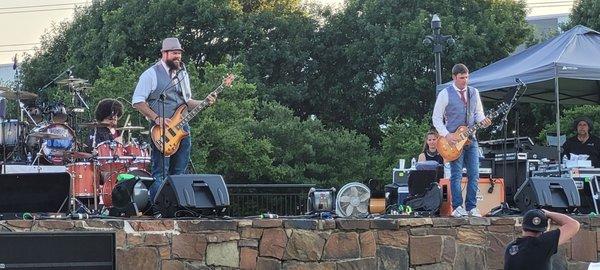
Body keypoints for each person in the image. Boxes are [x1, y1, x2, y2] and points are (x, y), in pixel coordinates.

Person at [132, 37, 217, 200]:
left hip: (183, 130)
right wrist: (156, 118)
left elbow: (187, 102)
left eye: (179, 53)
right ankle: (157, 206)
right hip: (162, 132)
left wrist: (205, 102)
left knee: (180, 172)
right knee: (161, 172)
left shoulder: (183, 74)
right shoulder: (151, 74)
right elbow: (137, 101)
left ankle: (177, 205)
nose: (177, 56)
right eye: (174, 53)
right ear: (163, 53)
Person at [432, 63, 491, 217]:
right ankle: (458, 207)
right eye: (462, 78)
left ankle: (471, 207)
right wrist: (446, 134)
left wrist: (484, 121)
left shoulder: (474, 92)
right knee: (456, 175)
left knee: (474, 174)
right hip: (453, 141)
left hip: (471, 138)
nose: (465, 80)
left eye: (467, 77)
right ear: (454, 77)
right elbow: (436, 118)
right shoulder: (445, 93)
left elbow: (478, 114)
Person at [504, 209, 580, 270]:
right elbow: (574, 225)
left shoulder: (511, 248)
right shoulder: (543, 244)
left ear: (523, 227)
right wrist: (548, 213)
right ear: (544, 230)